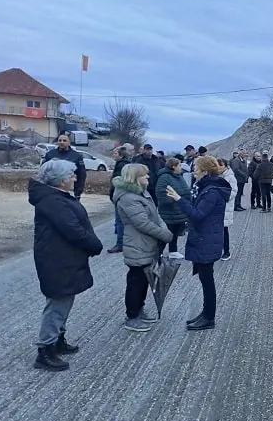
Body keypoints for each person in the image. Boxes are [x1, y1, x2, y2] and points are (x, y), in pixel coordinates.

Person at [29, 159, 103, 371]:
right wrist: (94, 245)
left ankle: (57, 339)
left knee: (64, 300)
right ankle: (45, 349)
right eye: (71, 176)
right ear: (60, 181)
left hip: (62, 257)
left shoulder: (56, 197)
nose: (75, 178)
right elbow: (73, 230)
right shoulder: (53, 201)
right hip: (56, 259)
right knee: (57, 303)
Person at [166, 156, 231, 331]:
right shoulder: (207, 188)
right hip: (205, 238)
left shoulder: (212, 191)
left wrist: (179, 199)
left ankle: (209, 317)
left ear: (204, 171)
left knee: (207, 280)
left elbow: (197, 214)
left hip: (206, 239)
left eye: (196, 168)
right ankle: (206, 313)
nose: (194, 170)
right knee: (204, 278)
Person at [113, 163, 174, 333]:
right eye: (144, 175)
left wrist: (164, 228)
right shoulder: (128, 198)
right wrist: (165, 235)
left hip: (148, 244)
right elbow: (143, 224)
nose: (148, 177)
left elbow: (156, 214)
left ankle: (139, 310)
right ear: (134, 177)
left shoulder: (142, 193)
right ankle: (132, 316)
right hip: (138, 244)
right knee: (136, 282)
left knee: (145, 280)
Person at [155, 158, 191, 259]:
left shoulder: (179, 177)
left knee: (175, 232)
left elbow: (185, 190)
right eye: (179, 165)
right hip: (169, 211)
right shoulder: (164, 177)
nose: (181, 167)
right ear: (173, 166)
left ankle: (173, 251)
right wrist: (174, 199)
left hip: (179, 210)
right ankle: (158, 252)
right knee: (167, 233)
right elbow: (160, 193)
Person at [42, 133, 86, 199]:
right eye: (60, 140)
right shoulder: (50, 154)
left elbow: (81, 175)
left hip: (69, 190)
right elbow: (43, 172)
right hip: (51, 190)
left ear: (69, 142)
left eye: (64, 140)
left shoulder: (76, 156)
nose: (62, 142)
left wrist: (78, 192)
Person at [107, 146, 130, 254]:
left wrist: (113, 195)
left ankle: (120, 244)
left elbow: (116, 182)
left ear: (121, 155)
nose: (114, 155)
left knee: (120, 220)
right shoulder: (127, 164)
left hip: (120, 195)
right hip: (124, 195)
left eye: (116, 153)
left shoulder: (121, 165)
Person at [217, 158, 238, 260]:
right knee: (217, 231)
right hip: (217, 207)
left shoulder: (230, 177)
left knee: (224, 231)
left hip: (225, 207)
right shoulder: (217, 176)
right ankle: (218, 250)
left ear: (225, 166)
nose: (218, 168)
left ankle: (226, 251)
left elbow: (233, 192)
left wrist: (221, 195)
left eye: (220, 165)